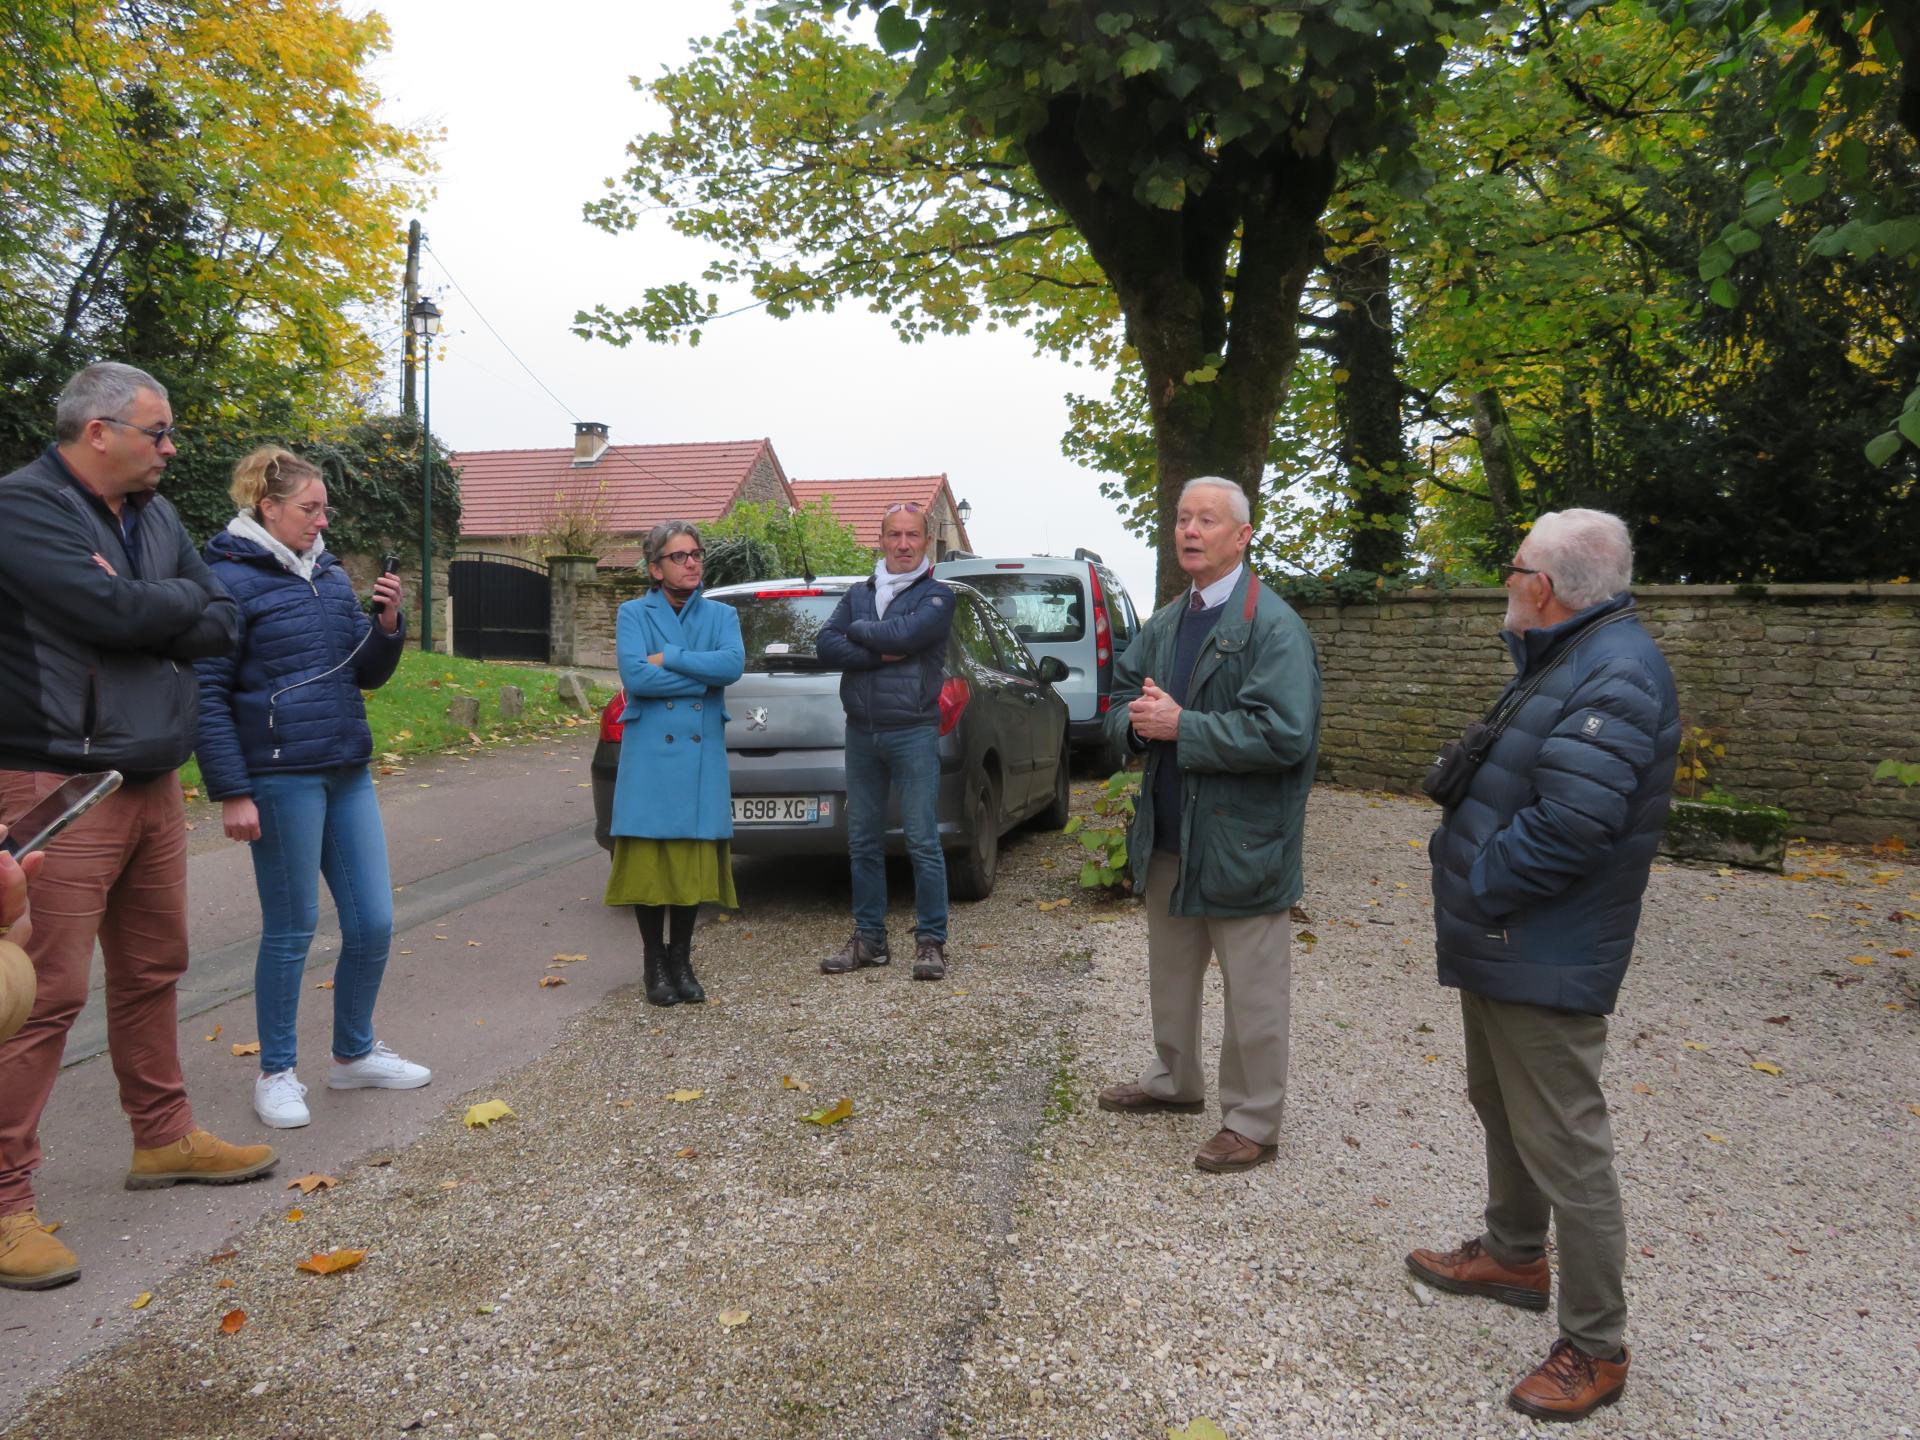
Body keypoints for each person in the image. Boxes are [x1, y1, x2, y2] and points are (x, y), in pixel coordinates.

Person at [0, 362, 276, 1292]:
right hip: (57, 781)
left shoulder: (153, 516)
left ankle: (162, 1140)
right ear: (97, 432)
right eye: (157, 434)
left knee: (155, 968)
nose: (171, 449)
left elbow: (220, 618)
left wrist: (151, 615)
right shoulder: (22, 508)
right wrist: (162, 614)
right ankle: (2, 1204)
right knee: (38, 995)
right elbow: (100, 609)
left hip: (154, 773)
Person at [1406, 508, 1678, 1423]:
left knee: (1568, 1143)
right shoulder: (1569, 655)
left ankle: (1596, 1345)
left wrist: (1480, 881)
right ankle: (1514, 1252)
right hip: (1509, 939)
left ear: (1546, 586)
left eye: (1513, 567)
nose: (1505, 582)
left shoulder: (1617, 672)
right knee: (1499, 1102)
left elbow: (1573, 824)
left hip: (1541, 941)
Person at [193, 446, 425, 1130]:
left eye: (324, 509)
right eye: (309, 509)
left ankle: (354, 1056)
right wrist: (232, 789)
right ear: (267, 507)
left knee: (373, 921)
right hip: (277, 776)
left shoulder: (324, 572)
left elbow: (366, 672)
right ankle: (277, 1073)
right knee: (292, 929)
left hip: (345, 766)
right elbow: (206, 694)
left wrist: (386, 625)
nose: (322, 522)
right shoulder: (225, 580)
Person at [1094, 477, 1320, 1174]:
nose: (1190, 530)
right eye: (1182, 517)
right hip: (1169, 834)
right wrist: (1133, 729)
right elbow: (1120, 705)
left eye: (1208, 520)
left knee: (1252, 991)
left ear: (1243, 536)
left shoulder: (1273, 626)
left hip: (1241, 841)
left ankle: (1253, 1121)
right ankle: (1174, 1082)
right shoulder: (1166, 622)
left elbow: (1286, 735)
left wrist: (1182, 726)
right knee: (1171, 974)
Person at [815, 501, 957, 981]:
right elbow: (824, 645)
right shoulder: (858, 592)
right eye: (893, 535)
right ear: (880, 539)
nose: (902, 544)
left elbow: (910, 632)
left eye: (911, 535)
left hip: (913, 729)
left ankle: (931, 942)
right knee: (862, 841)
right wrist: (881, 651)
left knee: (921, 840)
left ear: (926, 540)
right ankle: (870, 940)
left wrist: (860, 636)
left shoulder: (937, 596)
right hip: (861, 730)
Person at [607, 521, 744, 1006]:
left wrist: (672, 657)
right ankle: (654, 962)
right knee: (650, 860)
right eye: (680, 556)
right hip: (650, 757)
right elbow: (637, 678)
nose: (691, 563)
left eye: (696, 554)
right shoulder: (632, 613)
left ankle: (682, 961)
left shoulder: (722, 615)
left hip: (699, 755)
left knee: (688, 858)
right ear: (654, 567)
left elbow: (731, 667)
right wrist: (697, 676)